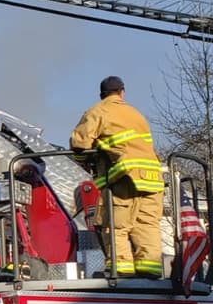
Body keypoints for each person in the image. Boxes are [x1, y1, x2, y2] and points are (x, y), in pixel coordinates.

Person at [70, 76, 165, 278]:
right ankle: (150, 269)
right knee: (146, 223)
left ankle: (120, 269)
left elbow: (79, 144)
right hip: (153, 177)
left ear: (102, 95)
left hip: (124, 175)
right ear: (122, 92)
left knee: (116, 224)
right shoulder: (137, 114)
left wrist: (87, 162)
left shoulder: (98, 111)